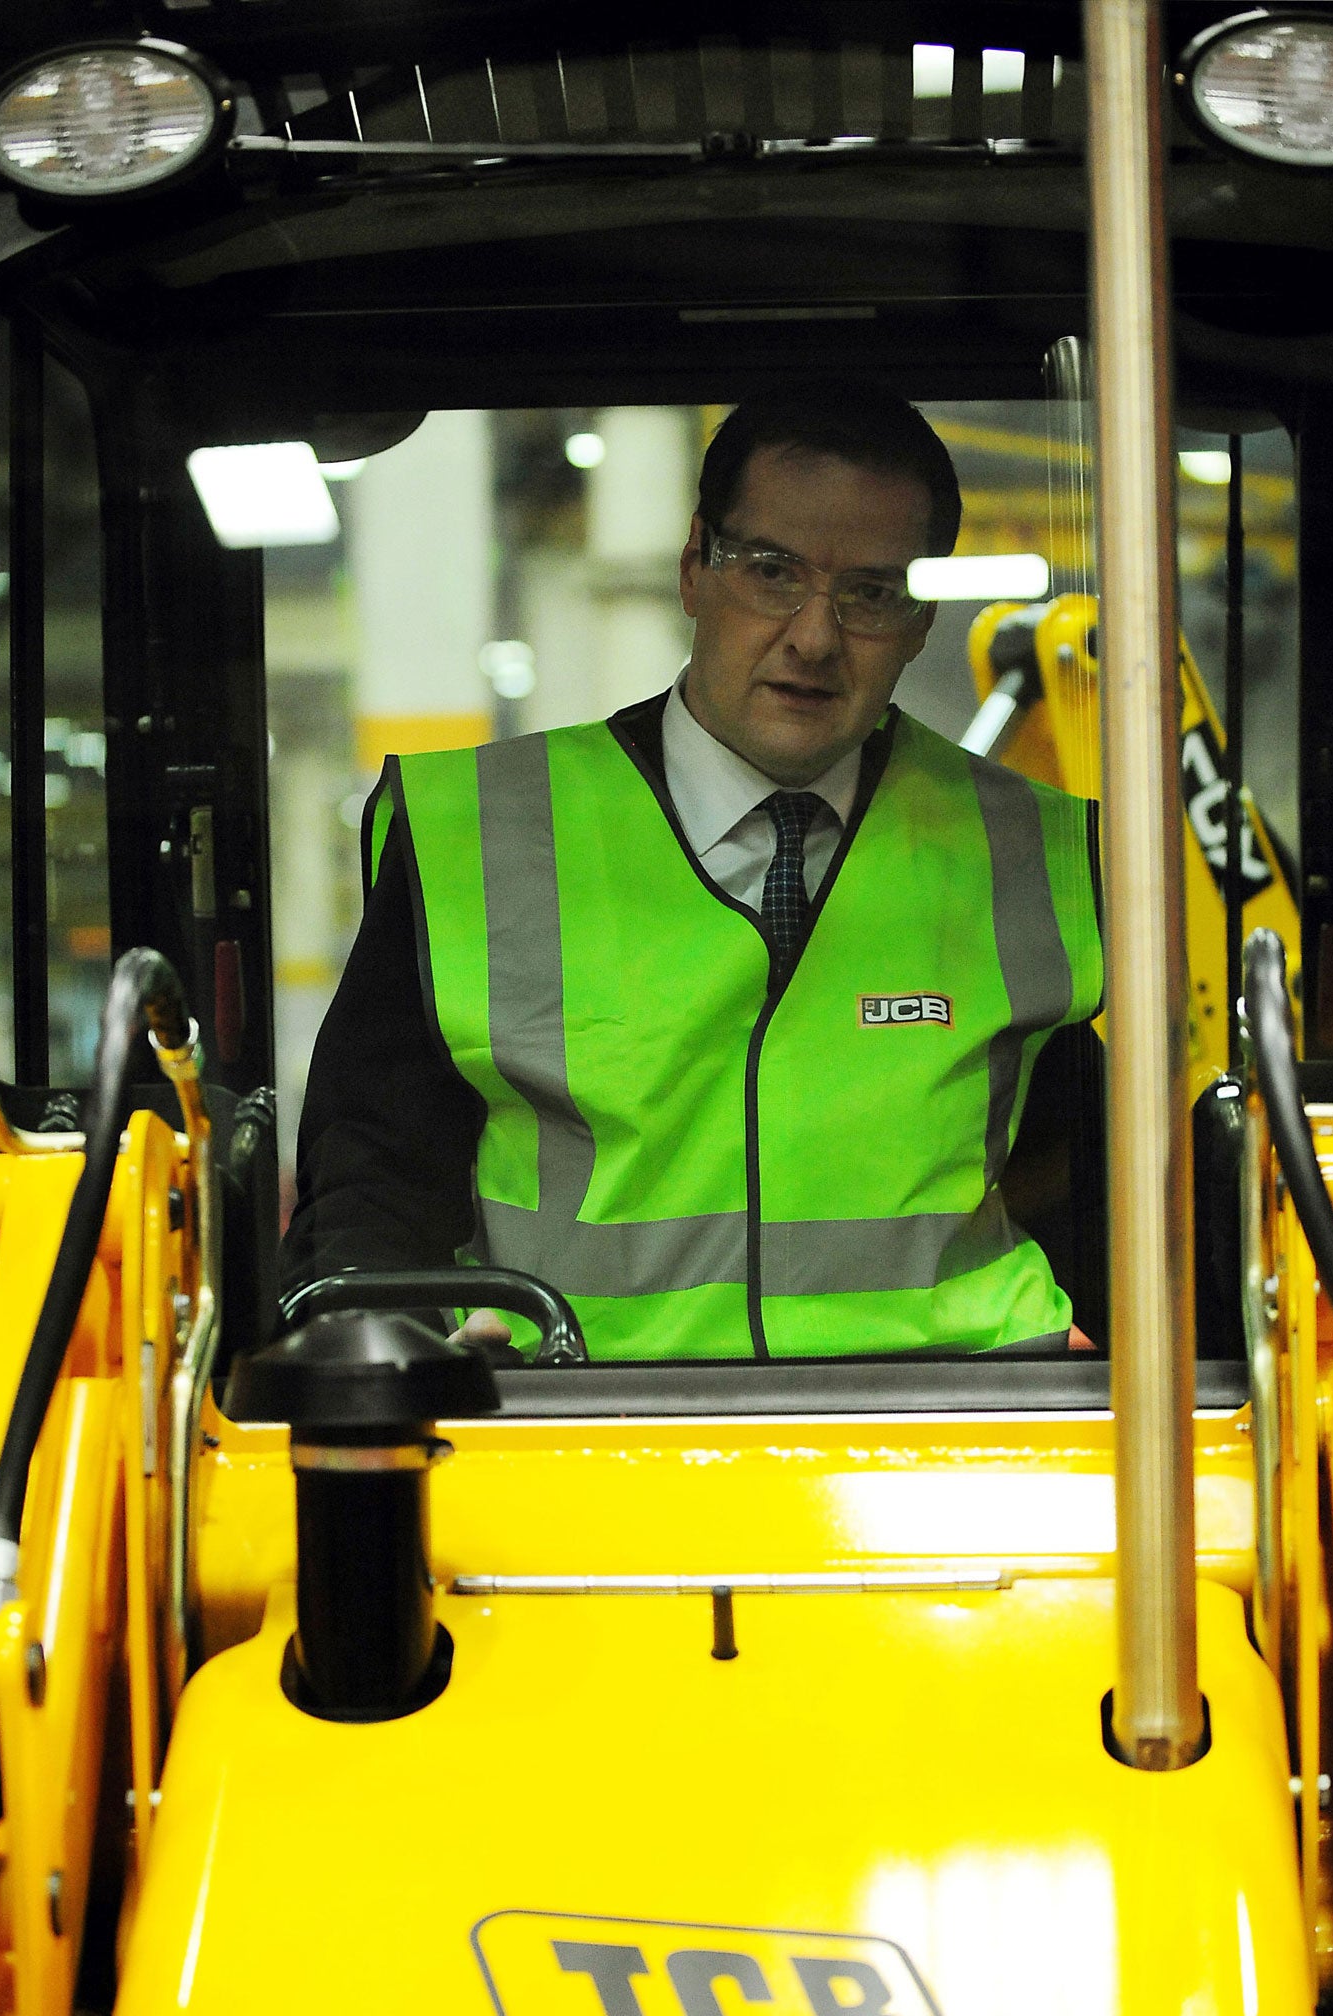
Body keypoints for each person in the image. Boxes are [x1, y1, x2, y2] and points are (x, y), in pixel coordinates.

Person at [280, 382, 1103, 1359]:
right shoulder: (478, 837)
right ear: (693, 572)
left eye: (871, 592)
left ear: (920, 619)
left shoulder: (1035, 854)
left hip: (949, 1460)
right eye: (771, 571)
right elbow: (370, 1179)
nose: (814, 635)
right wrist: (396, 1356)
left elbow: (1104, 1200)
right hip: (581, 1442)